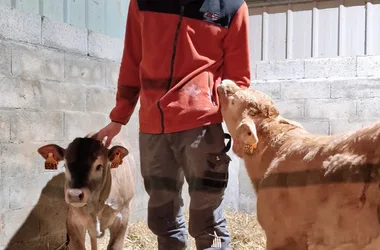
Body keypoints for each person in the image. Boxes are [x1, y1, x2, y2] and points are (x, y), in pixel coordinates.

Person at [96, 0, 250, 249]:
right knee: (163, 215)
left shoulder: (231, 7)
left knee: (208, 217)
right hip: (153, 129)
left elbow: (238, 78)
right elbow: (132, 60)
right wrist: (119, 117)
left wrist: (238, 124)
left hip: (202, 127)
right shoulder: (143, 3)